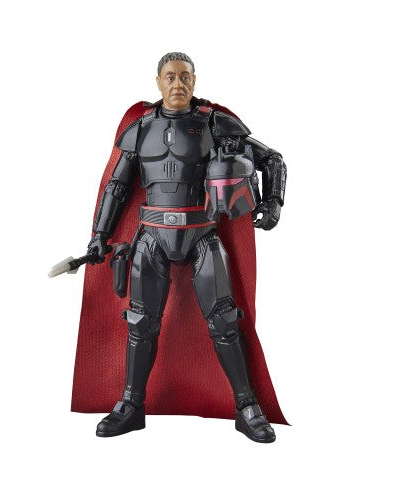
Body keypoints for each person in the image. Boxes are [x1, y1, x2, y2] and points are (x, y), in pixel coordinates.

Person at [79, 52, 287, 443]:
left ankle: (247, 407)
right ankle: (131, 406)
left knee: (224, 323)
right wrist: (99, 234)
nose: (178, 84)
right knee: (140, 325)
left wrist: (273, 200)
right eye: (171, 77)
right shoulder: (141, 129)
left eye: (185, 77)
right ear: (158, 81)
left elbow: (272, 160)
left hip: (202, 234)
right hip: (151, 237)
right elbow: (118, 187)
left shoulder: (215, 123)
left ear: (194, 80)